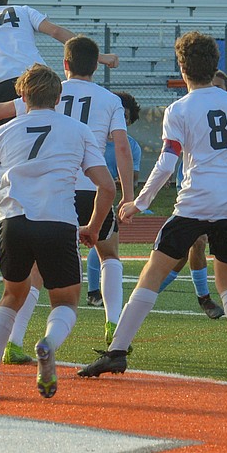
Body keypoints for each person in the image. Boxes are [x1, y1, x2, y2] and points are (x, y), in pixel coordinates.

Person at [77, 31, 227, 381]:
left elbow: (168, 164)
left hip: (195, 202)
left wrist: (139, 203)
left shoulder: (179, 109)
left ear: (182, 68)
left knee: (151, 276)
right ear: (215, 66)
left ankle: (117, 352)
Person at [0, 35, 133, 363]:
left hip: (38, 198)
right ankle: (114, 323)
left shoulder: (40, 91)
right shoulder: (107, 99)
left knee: (31, 278)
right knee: (108, 253)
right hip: (88, 186)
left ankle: (13, 341)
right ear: (95, 64)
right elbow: (122, 148)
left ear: (65, 64)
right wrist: (126, 196)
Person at [0, 64, 116, 399]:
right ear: (59, 97)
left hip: (14, 223)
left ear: (21, 95)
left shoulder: (4, 131)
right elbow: (106, 187)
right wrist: (91, 225)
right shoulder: (77, 131)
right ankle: (47, 344)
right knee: (65, 300)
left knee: (11, 296)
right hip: (59, 222)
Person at [0, 0, 119, 256]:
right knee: (41, 152)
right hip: (37, 81)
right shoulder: (21, 10)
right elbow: (57, 32)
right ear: (4, 2)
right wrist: (98, 57)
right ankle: (23, 219)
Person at [159, 70, 227, 320]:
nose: (214, 91)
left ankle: (148, 293)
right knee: (195, 243)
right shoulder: (187, 109)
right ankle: (204, 298)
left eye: (220, 87)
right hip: (192, 186)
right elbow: (171, 149)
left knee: (184, 252)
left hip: (225, 192)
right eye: (212, 85)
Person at [86, 91, 142, 308]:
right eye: (121, 116)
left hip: (105, 194)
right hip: (86, 189)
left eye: (127, 118)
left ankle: (95, 292)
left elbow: (132, 176)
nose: (122, 121)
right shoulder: (93, 135)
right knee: (103, 246)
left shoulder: (131, 145)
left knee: (100, 242)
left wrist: (126, 191)